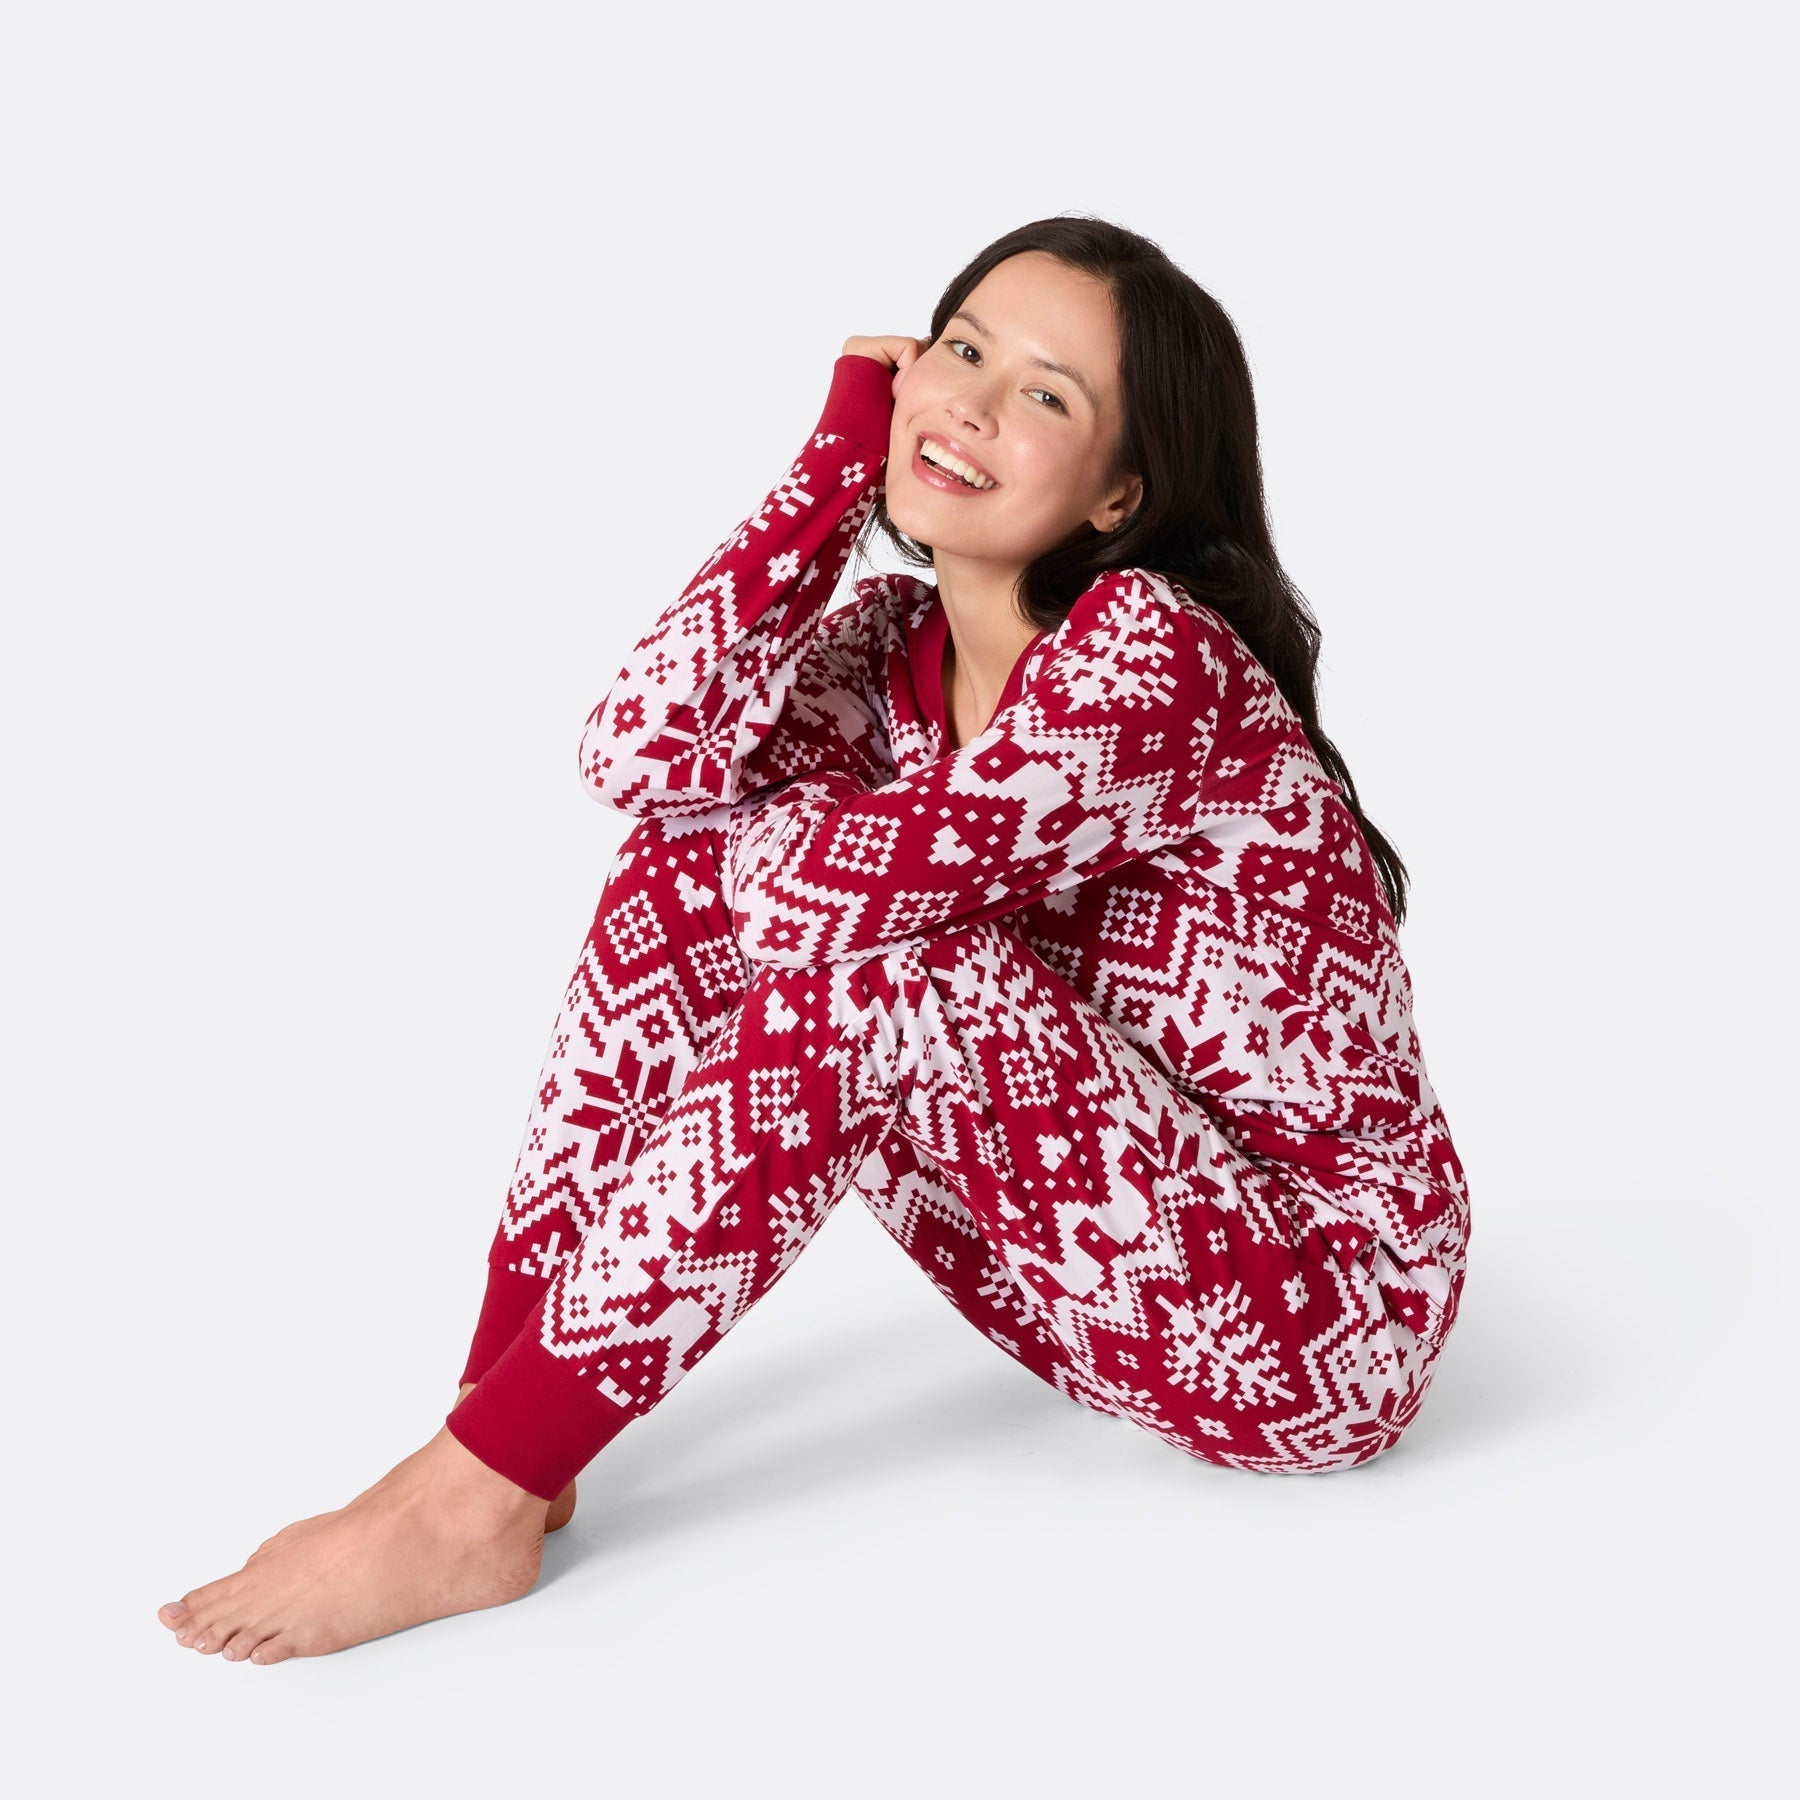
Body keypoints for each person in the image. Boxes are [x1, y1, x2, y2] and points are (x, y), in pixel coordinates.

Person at [156, 216, 1471, 1665]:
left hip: (1318, 1322)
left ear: (1122, 493)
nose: (971, 404)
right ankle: (498, 1430)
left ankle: (469, 1500)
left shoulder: (1156, 658)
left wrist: (763, 857)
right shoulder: (888, 646)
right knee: (683, 855)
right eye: (959, 351)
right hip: (1092, 1286)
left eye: (1045, 395)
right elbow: (638, 754)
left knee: (886, 965)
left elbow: (818, 915)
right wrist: (840, 457)